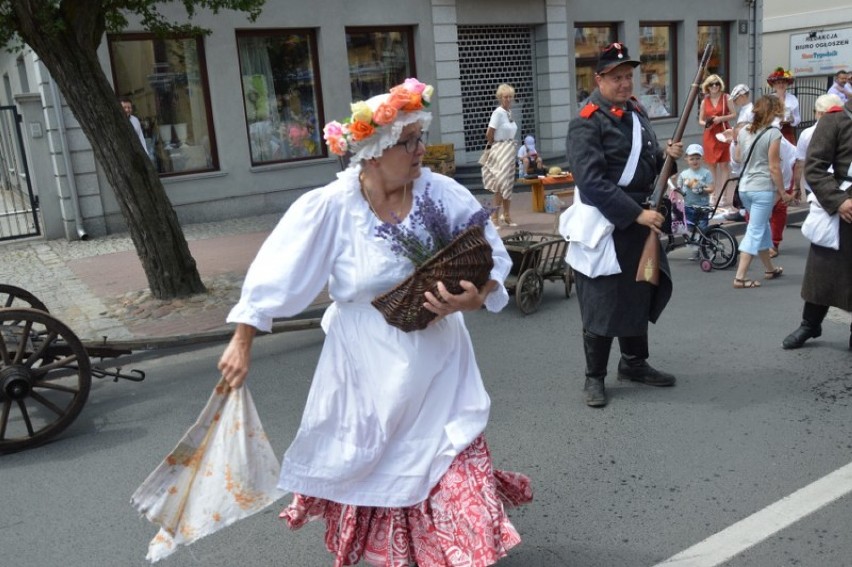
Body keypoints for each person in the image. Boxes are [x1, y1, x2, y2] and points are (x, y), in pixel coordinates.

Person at [217, 78, 531, 566]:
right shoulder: (332, 208)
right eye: (408, 142)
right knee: (380, 471)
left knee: (452, 468)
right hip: (365, 371)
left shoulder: (441, 194)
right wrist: (243, 339)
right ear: (372, 152)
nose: (420, 150)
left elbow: (490, 259)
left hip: (440, 366)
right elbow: (276, 272)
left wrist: (476, 296)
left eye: (419, 138)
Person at [564, 42, 683, 408]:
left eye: (628, 76)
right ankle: (594, 377)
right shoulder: (586, 121)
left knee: (639, 291)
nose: (625, 83)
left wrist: (667, 158)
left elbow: (647, 165)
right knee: (602, 300)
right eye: (617, 77)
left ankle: (633, 363)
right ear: (599, 79)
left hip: (640, 218)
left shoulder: (635, 111)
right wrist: (635, 214)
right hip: (608, 222)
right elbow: (592, 182)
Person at [782, 99, 852, 350]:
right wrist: (838, 201)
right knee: (823, 271)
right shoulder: (834, 120)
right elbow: (815, 168)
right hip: (841, 209)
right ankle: (810, 325)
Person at [730, 95, 796, 289]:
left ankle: (769, 268)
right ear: (773, 112)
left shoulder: (743, 132)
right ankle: (740, 277)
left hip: (745, 188)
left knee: (762, 226)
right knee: (755, 229)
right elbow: (774, 167)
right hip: (762, 188)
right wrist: (783, 192)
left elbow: (738, 157)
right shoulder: (773, 133)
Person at [792, 94, 844, 198]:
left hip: (814, 184)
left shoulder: (807, 133)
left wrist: (796, 186)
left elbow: (800, 163)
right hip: (841, 184)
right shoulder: (846, 131)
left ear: (819, 113)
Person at [482, 83, 519, 227]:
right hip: (501, 149)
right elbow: (489, 133)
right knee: (500, 183)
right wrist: (497, 145)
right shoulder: (498, 113)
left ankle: (507, 215)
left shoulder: (509, 112)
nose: (508, 99)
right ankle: (495, 216)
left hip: (510, 150)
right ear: (500, 98)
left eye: (510, 97)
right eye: (505, 97)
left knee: (508, 184)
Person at [698, 74, 736, 212]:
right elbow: (700, 120)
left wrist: (721, 118)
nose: (714, 86)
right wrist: (706, 124)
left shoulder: (727, 98)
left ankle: (724, 196)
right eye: (712, 84)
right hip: (710, 134)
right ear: (707, 87)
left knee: (724, 165)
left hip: (724, 133)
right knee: (712, 166)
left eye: (717, 84)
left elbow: (734, 114)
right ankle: (713, 194)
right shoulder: (705, 101)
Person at [676, 144, 714, 233]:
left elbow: (711, 188)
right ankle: (693, 244)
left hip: (703, 206)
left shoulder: (706, 173)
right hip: (688, 206)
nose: (694, 161)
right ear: (686, 159)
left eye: (697, 158)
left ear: (702, 158)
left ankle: (703, 244)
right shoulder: (684, 174)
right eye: (692, 159)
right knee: (690, 227)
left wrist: (701, 188)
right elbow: (678, 188)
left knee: (702, 228)